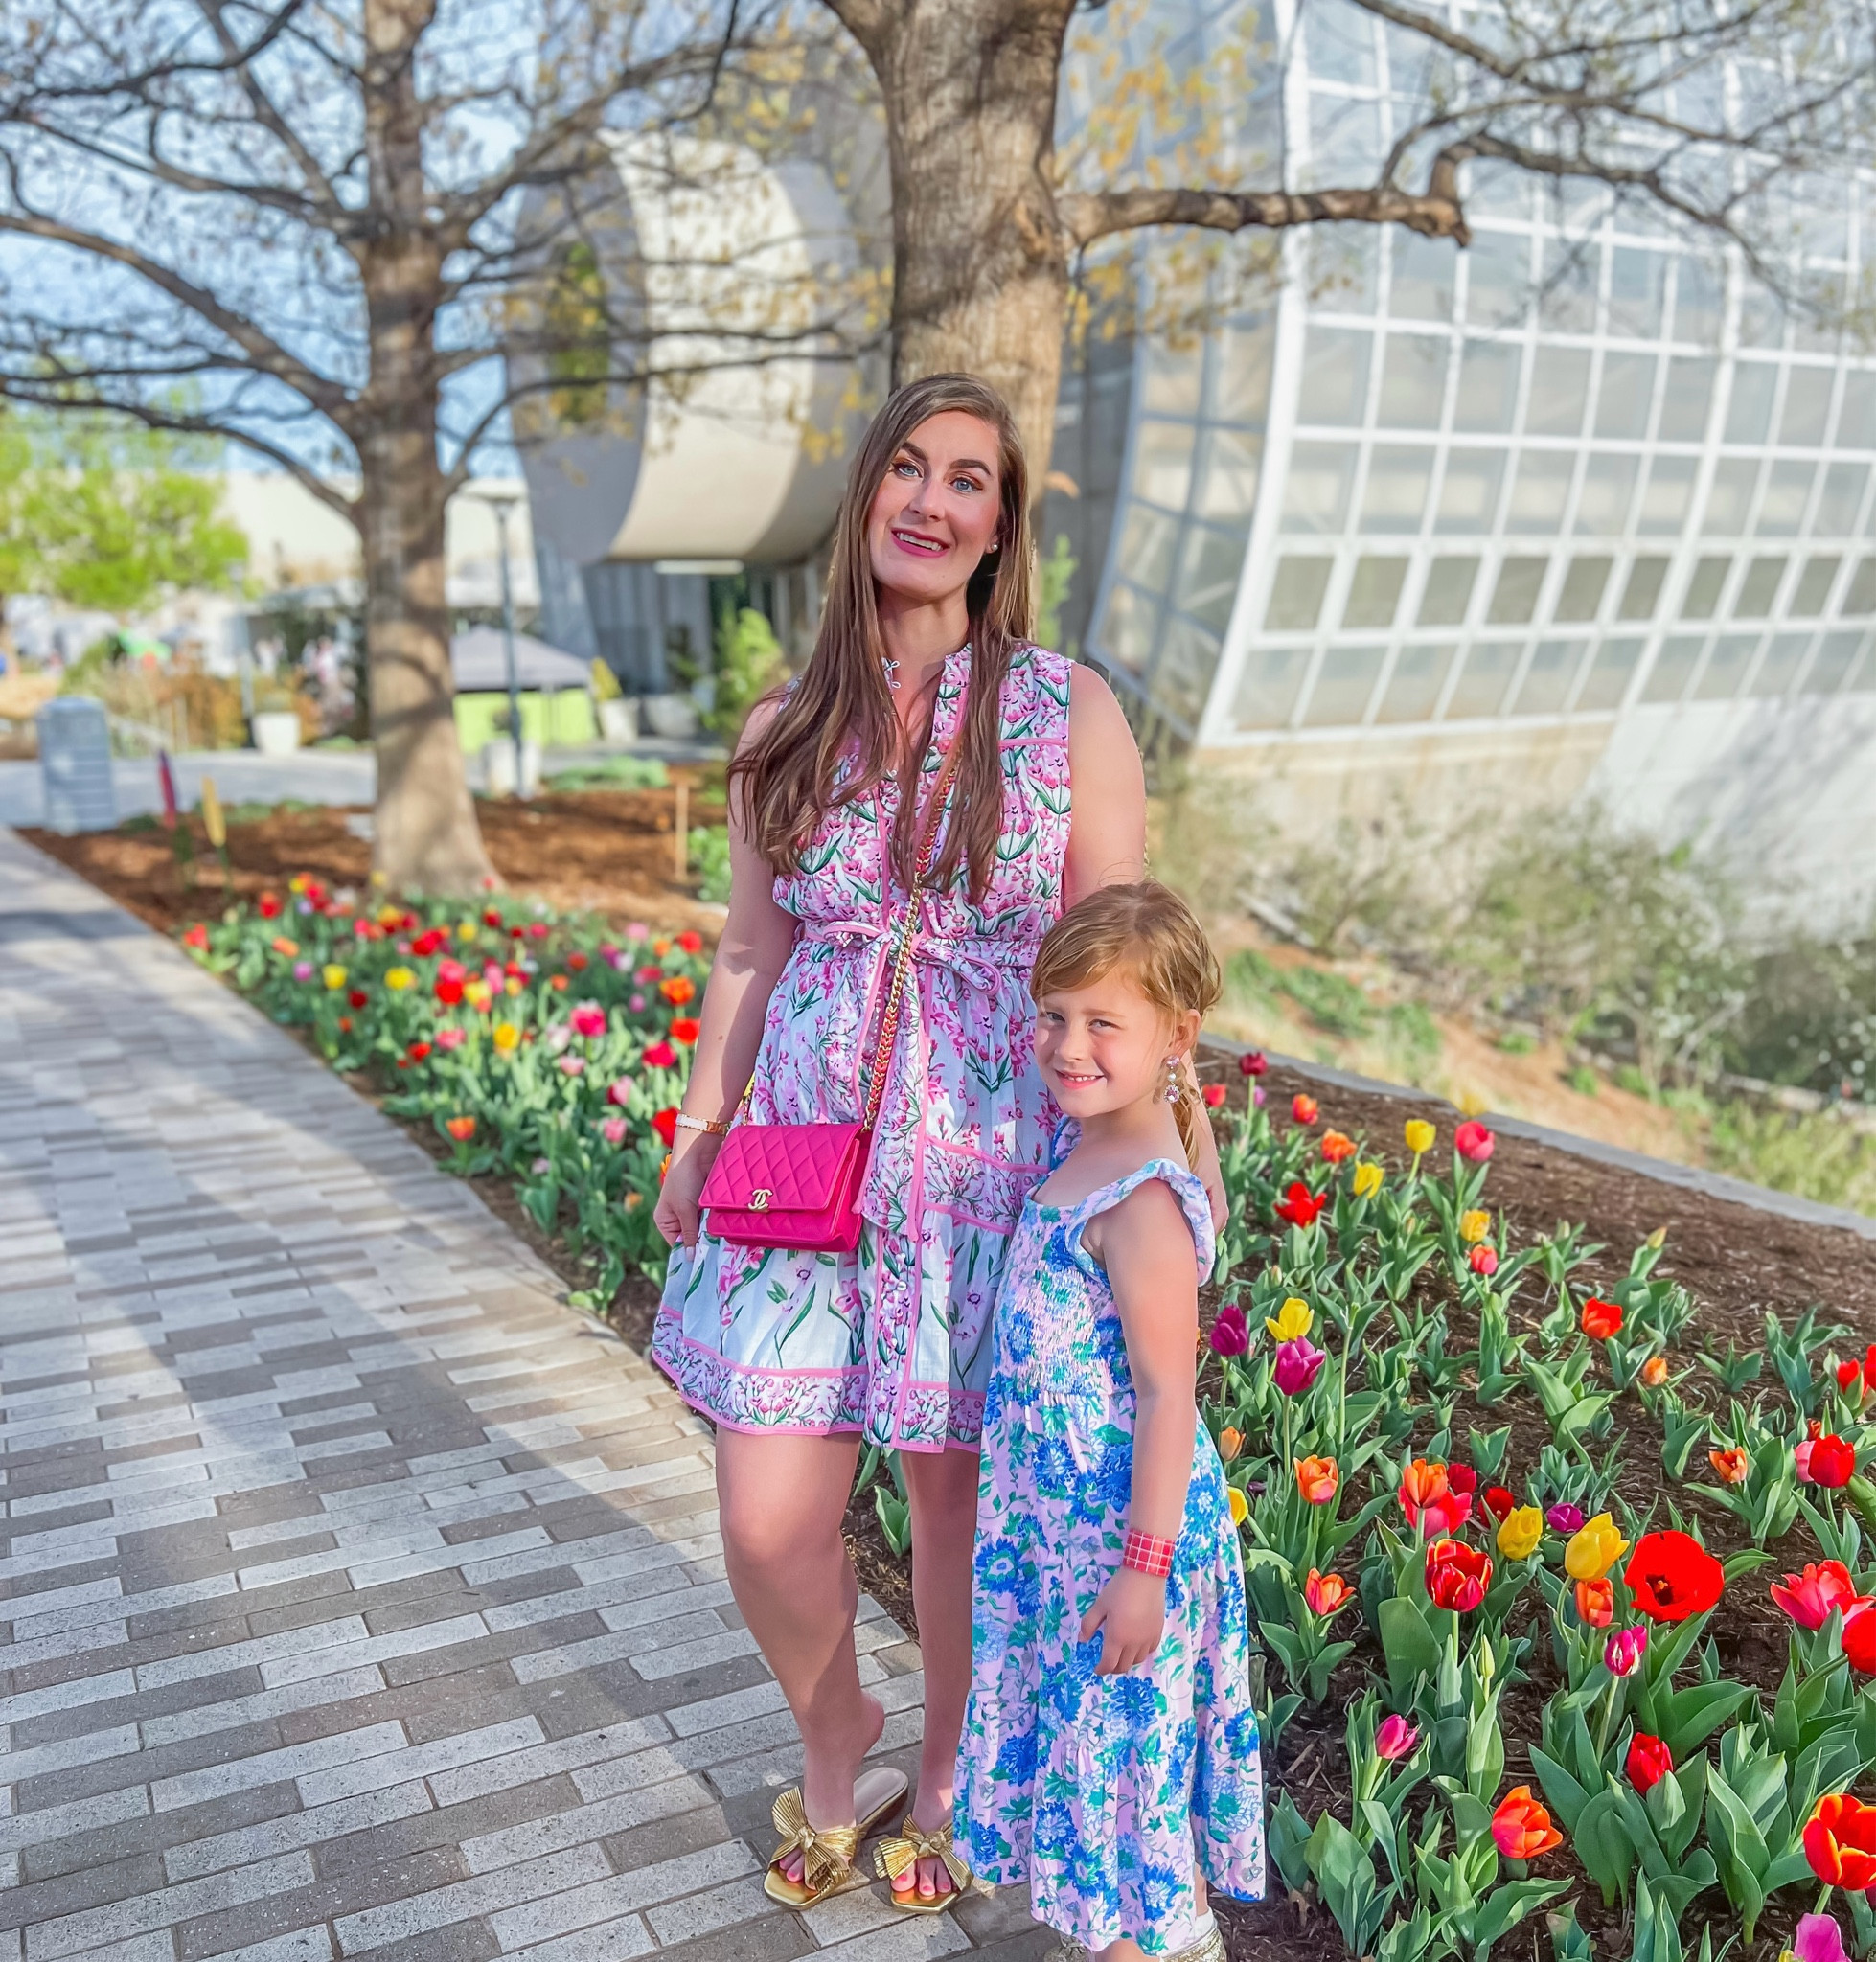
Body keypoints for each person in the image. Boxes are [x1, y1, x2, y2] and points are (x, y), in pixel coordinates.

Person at [651, 372, 1225, 1915]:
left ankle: (956, 1773)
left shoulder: (1063, 708)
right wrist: (700, 1124)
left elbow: (1123, 955)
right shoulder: (785, 720)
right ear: (865, 501)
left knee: (955, 1500)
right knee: (767, 1516)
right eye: (907, 468)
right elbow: (751, 951)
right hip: (805, 1157)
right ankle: (837, 1744)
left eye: (968, 480)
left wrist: (1167, 1159)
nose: (931, 500)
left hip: (994, 1163)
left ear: (997, 526)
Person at [955, 882, 1265, 1962]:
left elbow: (1168, 1390)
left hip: (1120, 1540)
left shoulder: (1140, 1198)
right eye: (1052, 1014)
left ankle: (1146, 1945)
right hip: (1056, 1532)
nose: (1066, 1043)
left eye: (1102, 1022)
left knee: (1117, 1766)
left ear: (1175, 1034)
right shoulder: (1096, 1141)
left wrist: (1142, 1566)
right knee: (1091, 1760)